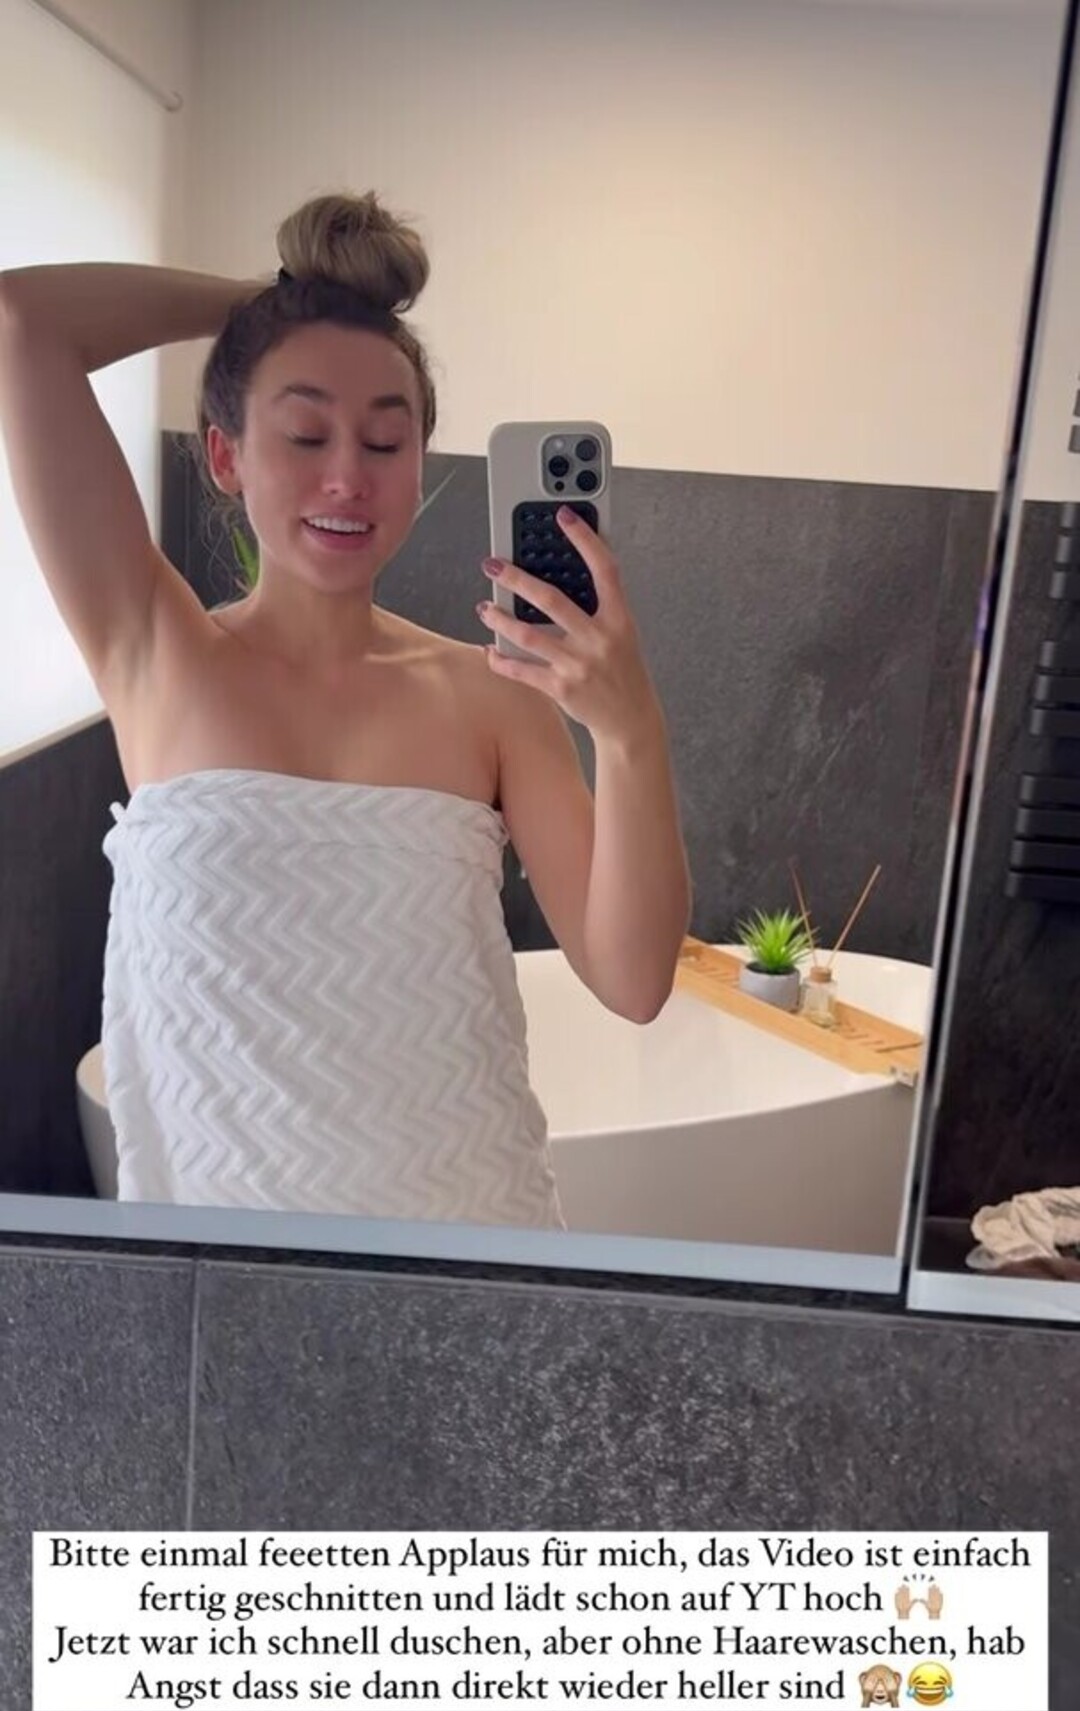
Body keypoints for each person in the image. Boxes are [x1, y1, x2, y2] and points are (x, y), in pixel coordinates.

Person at [0, 190, 691, 1227]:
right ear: (226, 454)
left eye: (383, 442)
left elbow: (634, 983)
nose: (345, 478)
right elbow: (23, 321)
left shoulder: (489, 698)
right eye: (304, 431)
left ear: (419, 468)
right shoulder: (156, 652)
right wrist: (275, 302)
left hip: (469, 1248)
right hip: (220, 1276)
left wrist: (631, 732)